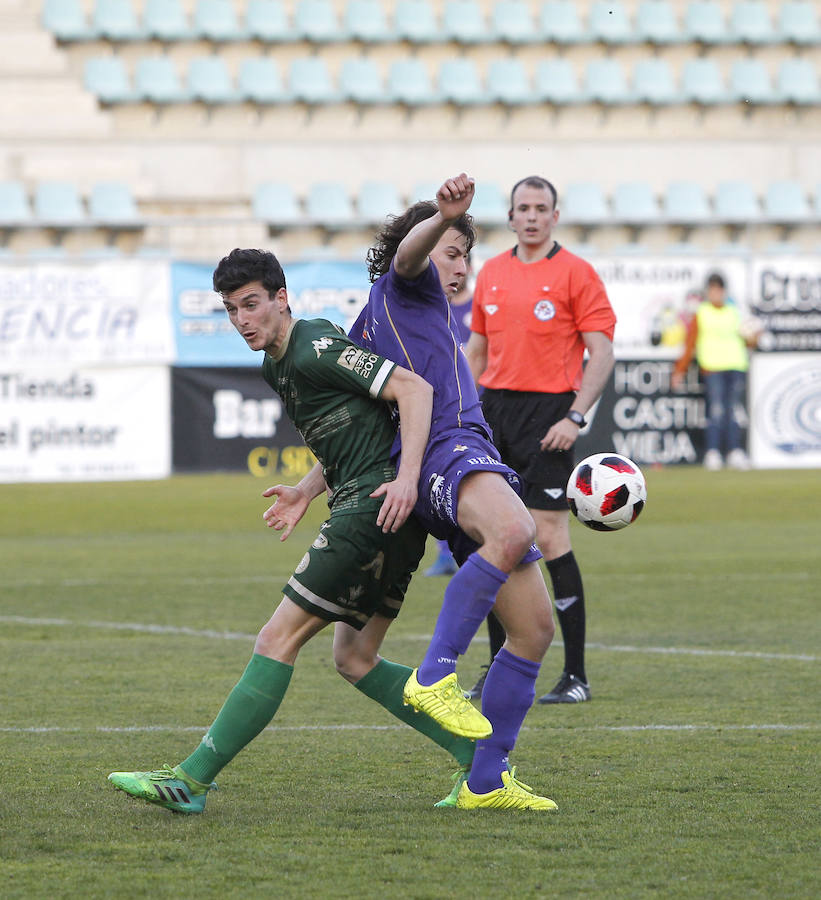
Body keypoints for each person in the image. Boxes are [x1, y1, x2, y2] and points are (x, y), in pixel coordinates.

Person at [107, 248, 484, 814]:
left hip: (373, 507)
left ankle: (191, 780)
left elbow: (414, 390)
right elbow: (353, 426)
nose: (242, 320)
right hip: (382, 513)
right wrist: (307, 491)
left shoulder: (314, 345)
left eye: (252, 304)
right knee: (355, 658)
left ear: (282, 298)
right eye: (232, 310)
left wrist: (408, 480)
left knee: (275, 639)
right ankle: (481, 761)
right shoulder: (276, 363)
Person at [350, 173, 557, 810]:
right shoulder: (403, 287)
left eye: (466, 253)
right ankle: (435, 673)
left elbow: (358, 423)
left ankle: (485, 782)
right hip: (448, 450)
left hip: (469, 452)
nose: (462, 266)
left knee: (533, 631)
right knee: (517, 530)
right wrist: (441, 220)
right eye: (453, 252)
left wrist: (307, 486)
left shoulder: (393, 320)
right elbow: (408, 256)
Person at [464, 175, 616, 706]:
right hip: (495, 412)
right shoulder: (492, 274)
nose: (531, 216)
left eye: (540, 208)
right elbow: (476, 354)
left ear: (555, 216)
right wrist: (463, 413)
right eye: (522, 208)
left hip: (550, 413)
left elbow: (602, 353)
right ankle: (496, 670)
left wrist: (575, 417)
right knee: (496, 539)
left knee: (550, 538)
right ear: (509, 218)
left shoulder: (577, 273)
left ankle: (575, 676)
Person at [671, 272, 756, 471]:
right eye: (712, 290)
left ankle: (735, 451)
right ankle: (713, 452)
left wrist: (754, 337)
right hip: (713, 367)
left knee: (733, 411)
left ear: (724, 291)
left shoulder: (735, 311)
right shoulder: (702, 312)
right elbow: (690, 342)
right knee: (716, 410)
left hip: (736, 365)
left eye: (719, 289)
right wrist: (679, 370)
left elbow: (748, 339)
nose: (716, 293)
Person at [424, 262, 473, 578]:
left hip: (475, 410)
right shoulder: (430, 310)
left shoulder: (477, 309)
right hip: (438, 413)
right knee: (439, 486)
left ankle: (478, 549)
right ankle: (445, 554)